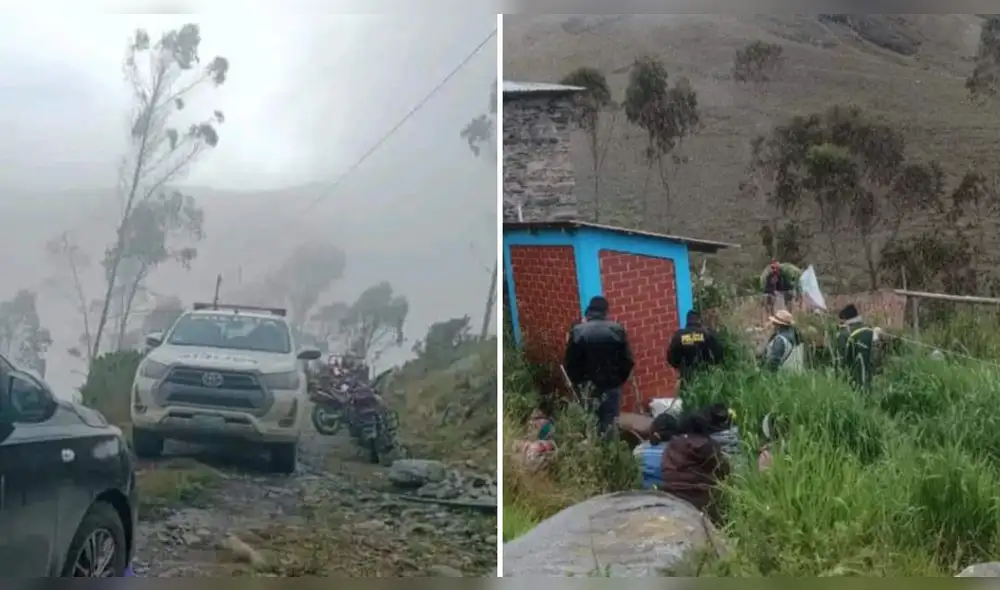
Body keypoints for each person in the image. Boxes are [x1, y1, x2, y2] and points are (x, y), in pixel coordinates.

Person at [564, 295, 635, 437]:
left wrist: (579, 383)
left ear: (589, 311)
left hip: (587, 387)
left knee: (590, 423)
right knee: (610, 423)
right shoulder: (617, 330)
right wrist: (618, 381)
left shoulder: (578, 332)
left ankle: (596, 455)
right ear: (606, 312)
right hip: (611, 386)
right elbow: (627, 361)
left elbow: (570, 364)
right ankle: (611, 454)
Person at [660, 407, 731, 522]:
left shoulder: (671, 445)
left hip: (670, 496)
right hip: (699, 500)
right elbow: (724, 471)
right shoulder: (708, 446)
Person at [667, 310, 724, 392]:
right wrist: (711, 364)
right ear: (699, 320)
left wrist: (680, 366)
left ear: (687, 321)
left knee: (688, 401)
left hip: (686, 378)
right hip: (706, 378)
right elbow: (719, 353)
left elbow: (671, 357)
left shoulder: (678, 336)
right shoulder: (707, 334)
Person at [836, 304, 876, 393]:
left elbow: (844, 359)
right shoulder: (869, 330)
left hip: (855, 375)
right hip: (871, 373)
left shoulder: (844, 333)